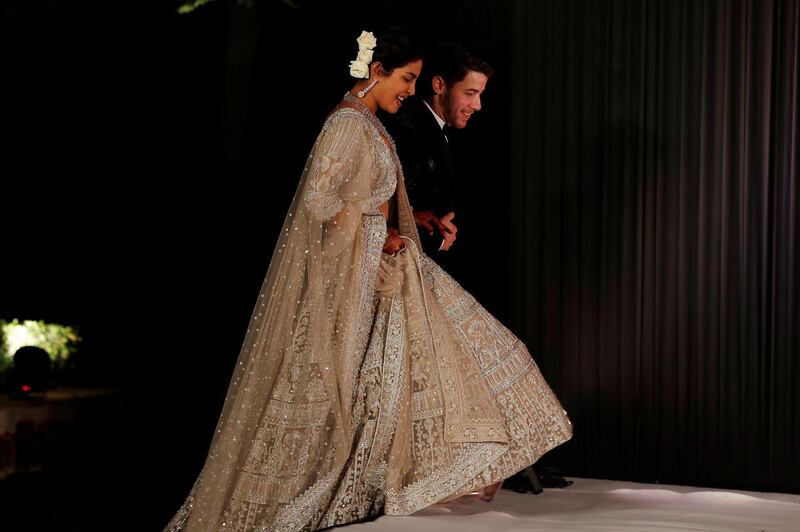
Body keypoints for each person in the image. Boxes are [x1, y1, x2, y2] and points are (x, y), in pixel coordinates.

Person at [165, 28, 572, 532]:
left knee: (468, 363)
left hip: (389, 272)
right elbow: (320, 201)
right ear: (375, 71)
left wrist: (408, 223)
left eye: (416, 80)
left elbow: (362, 199)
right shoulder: (347, 125)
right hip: (373, 274)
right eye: (405, 78)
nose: (409, 89)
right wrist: (380, 234)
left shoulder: (369, 123)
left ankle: (382, 484)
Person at [385, 42, 493, 269]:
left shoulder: (440, 130)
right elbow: (392, 210)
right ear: (439, 85)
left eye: (480, 94)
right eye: (470, 93)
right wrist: (438, 238)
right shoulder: (409, 130)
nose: (478, 105)